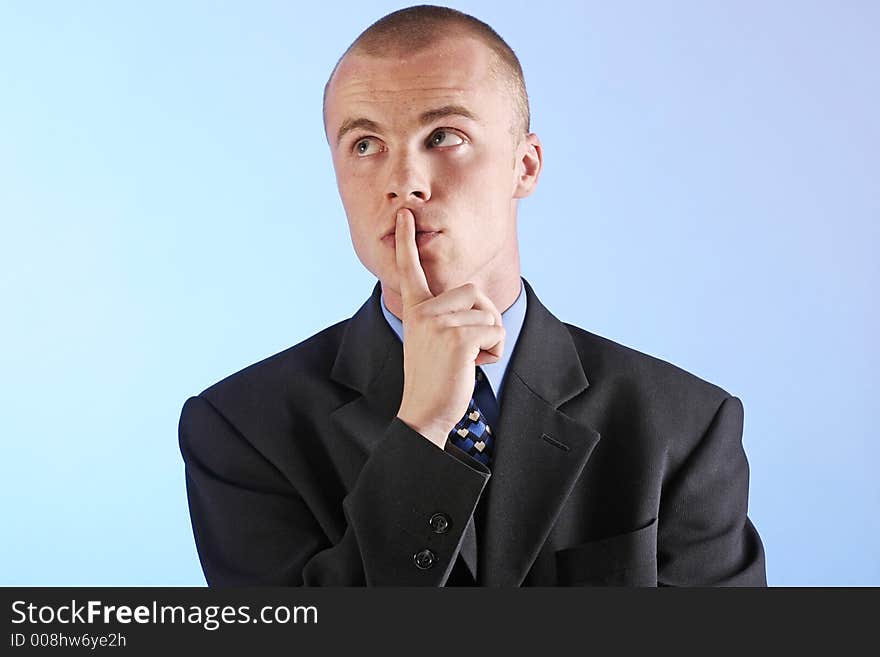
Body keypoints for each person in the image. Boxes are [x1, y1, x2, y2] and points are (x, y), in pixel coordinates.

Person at [178, 5, 766, 586]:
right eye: (364, 144)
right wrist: (423, 429)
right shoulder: (239, 429)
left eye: (444, 136)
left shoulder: (685, 426)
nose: (403, 182)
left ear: (525, 166)